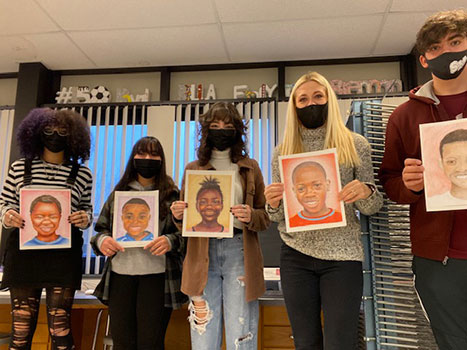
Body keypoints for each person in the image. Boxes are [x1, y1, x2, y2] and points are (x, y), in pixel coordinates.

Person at [264, 71, 383, 350]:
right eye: (302, 99)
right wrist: (272, 203)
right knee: (305, 342)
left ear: (330, 98)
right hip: (295, 257)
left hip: (342, 258)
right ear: (293, 107)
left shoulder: (355, 145)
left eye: (318, 96)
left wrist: (366, 192)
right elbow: (278, 217)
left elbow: (372, 206)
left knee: (340, 342)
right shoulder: (283, 152)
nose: (311, 104)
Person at [379, 9, 467, 350]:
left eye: (456, 42)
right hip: (438, 258)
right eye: (435, 48)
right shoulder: (405, 115)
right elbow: (390, 183)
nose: (447, 52)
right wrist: (409, 185)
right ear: (424, 59)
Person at [170, 102, 270, 350]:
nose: (221, 130)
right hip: (201, 253)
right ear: (206, 131)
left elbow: (265, 217)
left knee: (241, 330)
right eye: (215, 126)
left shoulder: (250, 167)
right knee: (203, 332)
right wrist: (178, 214)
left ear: (237, 130)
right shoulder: (193, 169)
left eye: (227, 126)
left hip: (239, 249)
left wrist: (250, 215)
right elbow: (185, 221)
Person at [0, 107, 93, 350]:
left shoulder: (82, 173)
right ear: (36, 133)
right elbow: (4, 203)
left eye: (63, 131)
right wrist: (8, 216)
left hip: (63, 256)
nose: (55, 135)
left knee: (60, 329)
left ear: (73, 136)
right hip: (23, 255)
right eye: (49, 130)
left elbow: (87, 209)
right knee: (20, 331)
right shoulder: (19, 167)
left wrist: (84, 218)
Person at [91, 136, 187, 350]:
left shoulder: (172, 195)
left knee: (150, 343)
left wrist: (170, 241)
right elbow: (99, 231)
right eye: (142, 153)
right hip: (120, 277)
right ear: (133, 158)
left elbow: (187, 236)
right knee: (123, 342)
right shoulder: (119, 194)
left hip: (157, 278)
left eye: (154, 154)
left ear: (161, 160)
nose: (147, 158)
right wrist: (103, 241)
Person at [289, 161, 343, 227]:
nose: (309, 194)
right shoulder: (291, 222)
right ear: (294, 191)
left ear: (327, 185)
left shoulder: (340, 217)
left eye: (317, 185)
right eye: (301, 189)